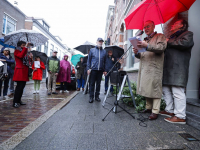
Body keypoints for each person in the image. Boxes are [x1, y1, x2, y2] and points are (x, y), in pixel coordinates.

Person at [160, 19, 194, 124]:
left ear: (182, 25)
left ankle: (180, 116)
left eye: (175, 23)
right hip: (168, 68)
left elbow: (184, 43)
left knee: (177, 91)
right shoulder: (172, 37)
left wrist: (168, 41)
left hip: (178, 68)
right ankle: (169, 110)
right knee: (166, 90)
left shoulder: (188, 34)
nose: (173, 25)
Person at [133, 20, 167, 120]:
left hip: (154, 67)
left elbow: (161, 48)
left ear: (153, 27)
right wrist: (136, 53)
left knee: (155, 89)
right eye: (144, 27)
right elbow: (142, 55)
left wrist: (146, 46)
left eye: (148, 26)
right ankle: (148, 108)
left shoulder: (160, 36)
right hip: (145, 67)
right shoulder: (145, 39)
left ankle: (155, 111)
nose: (146, 29)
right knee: (147, 87)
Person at [87, 38, 107, 103]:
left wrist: (105, 70)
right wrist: (88, 68)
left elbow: (105, 62)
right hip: (93, 70)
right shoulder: (92, 50)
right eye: (99, 41)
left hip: (100, 70)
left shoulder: (104, 51)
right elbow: (89, 60)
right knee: (92, 84)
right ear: (96, 42)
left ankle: (97, 96)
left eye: (101, 42)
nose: (100, 43)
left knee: (98, 84)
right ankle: (91, 97)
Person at [13, 41, 32, 108]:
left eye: (25, 45)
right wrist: (26, 47)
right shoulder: (17, 51)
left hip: (24, 72)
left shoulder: (25, 52)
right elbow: (20, 56)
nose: (24, 46)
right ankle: (15, 102)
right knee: (19, 87)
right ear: (19, 45)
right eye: (23, 45)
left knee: (22, 87)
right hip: (20, 71)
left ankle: (19, 100)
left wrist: (31, 58)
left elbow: (28, 62)